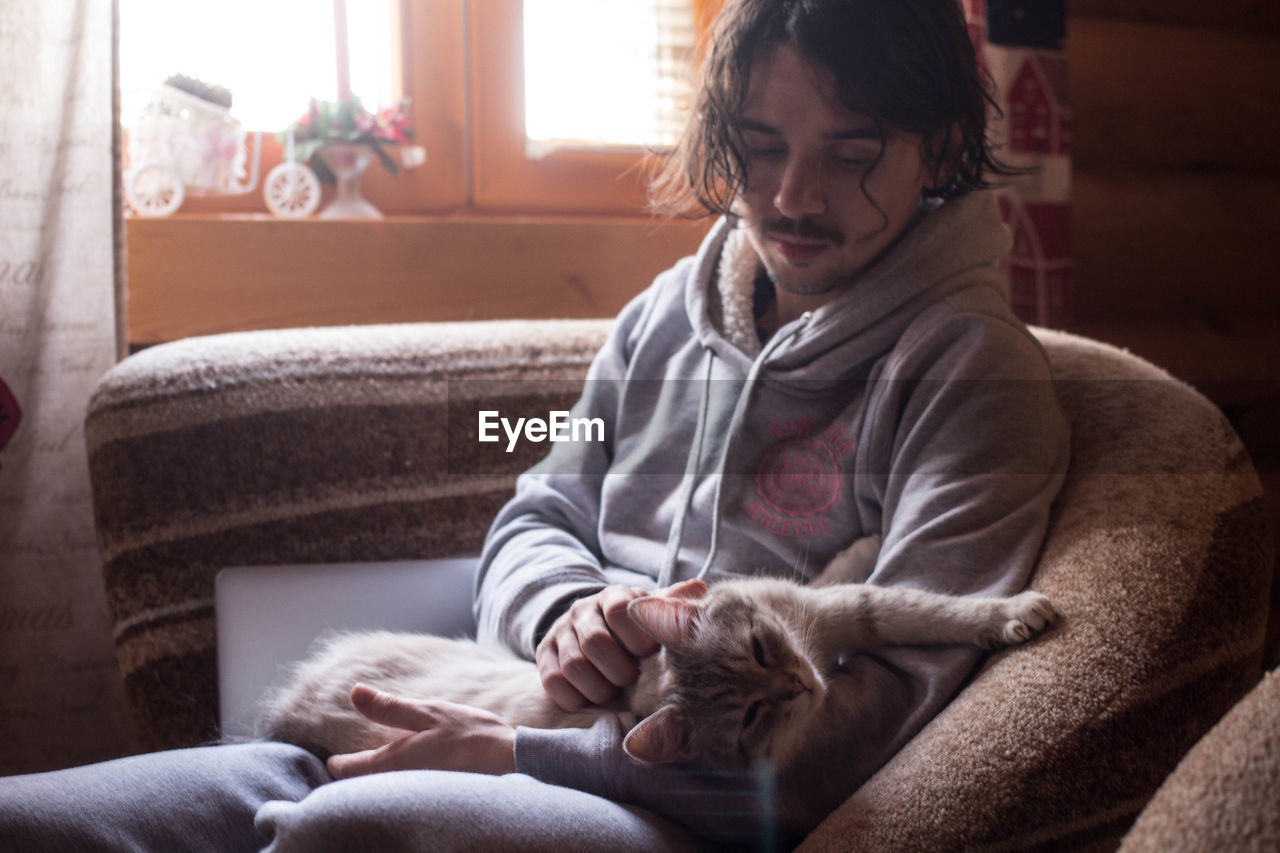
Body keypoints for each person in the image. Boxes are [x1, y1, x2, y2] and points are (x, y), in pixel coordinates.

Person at [0, 0, 1068, 849]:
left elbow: (874, 731)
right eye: (757, 145)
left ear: (934, 148)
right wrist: (574, 610)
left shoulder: (967, 374)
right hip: (489, 715)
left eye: (849, 153)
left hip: (651, 800)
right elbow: (535, 509)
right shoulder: (661, 320)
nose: (790, 195)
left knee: (349, 828)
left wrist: (524, 758)